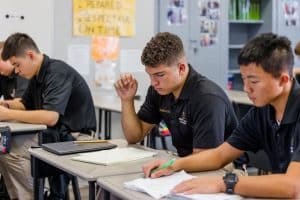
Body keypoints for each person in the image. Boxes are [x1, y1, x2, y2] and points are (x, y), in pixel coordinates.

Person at [142, 33, 300, 199]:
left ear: (283, 80)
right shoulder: (261, 112)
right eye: (243, 79)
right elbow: (219, 155)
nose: (246, 88)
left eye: (253, 82)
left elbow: (294, 186)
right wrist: (173, 164)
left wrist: (223, 182)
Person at [0, 33, 96, 200]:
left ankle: (34, 196)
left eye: (17, 65)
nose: (16, 71)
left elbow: (51, 117)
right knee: (4, 145)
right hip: (56, 134)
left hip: (77, 138)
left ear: (30, 55)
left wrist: (7, 114)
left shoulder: (56, 71)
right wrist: (6, 105)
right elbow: (24, 104)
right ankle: (32, 195)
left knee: (6, 147)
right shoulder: (36, 75)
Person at [114, 32, 238, 157]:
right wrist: (127, 100)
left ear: (181, 69)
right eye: (150, 75)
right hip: (189, 162)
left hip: (225, 168)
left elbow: (204, 160)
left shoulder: (207, 98)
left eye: (160, 75)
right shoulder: (159, 90)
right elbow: (134, 136)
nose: (153, 82)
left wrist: (170, 166)